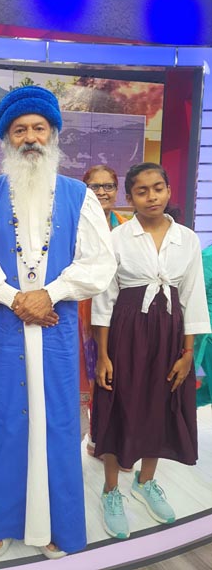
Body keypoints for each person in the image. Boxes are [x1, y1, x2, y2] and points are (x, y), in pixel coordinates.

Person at [0, 86, 117, 559]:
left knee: (57, 425)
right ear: (6, 138)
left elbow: (99, 262)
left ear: (53, 134)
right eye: (19, 130)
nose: (29, 138)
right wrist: (16, 298)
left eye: (38, 128)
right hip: (5, 328)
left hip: (56, 326)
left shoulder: (79, 196)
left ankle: (54, 522)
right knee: (2, 421)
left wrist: (49, 293)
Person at [91, 162, 210, 540]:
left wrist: (188, 353)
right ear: (129, 198)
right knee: (119, 404)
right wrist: (103, 355)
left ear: (169, 190)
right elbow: (103, 300)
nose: (151, 197)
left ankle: (145, 481)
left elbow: (193, 297)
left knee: (161, 403)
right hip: (126, 331)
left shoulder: (186, 239)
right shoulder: (117, 238)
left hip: (170, 334)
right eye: (141, 191)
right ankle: (111, 490)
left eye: (158, 188)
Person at [80, 165, 129, 463]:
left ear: (117, 189)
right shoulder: (73, 224)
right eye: (94, 187)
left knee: (114, 372)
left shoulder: (126, 227)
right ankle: (85, 436)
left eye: (108, 186)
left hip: (118, 312)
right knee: (85, 374)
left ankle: (105, 438)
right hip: (79, 312)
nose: (102, 192)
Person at [195, 244, 212, 407]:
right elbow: (197, 296)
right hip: (208, 334)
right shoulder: (208, 257)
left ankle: (168, 410)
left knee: (208, 393)